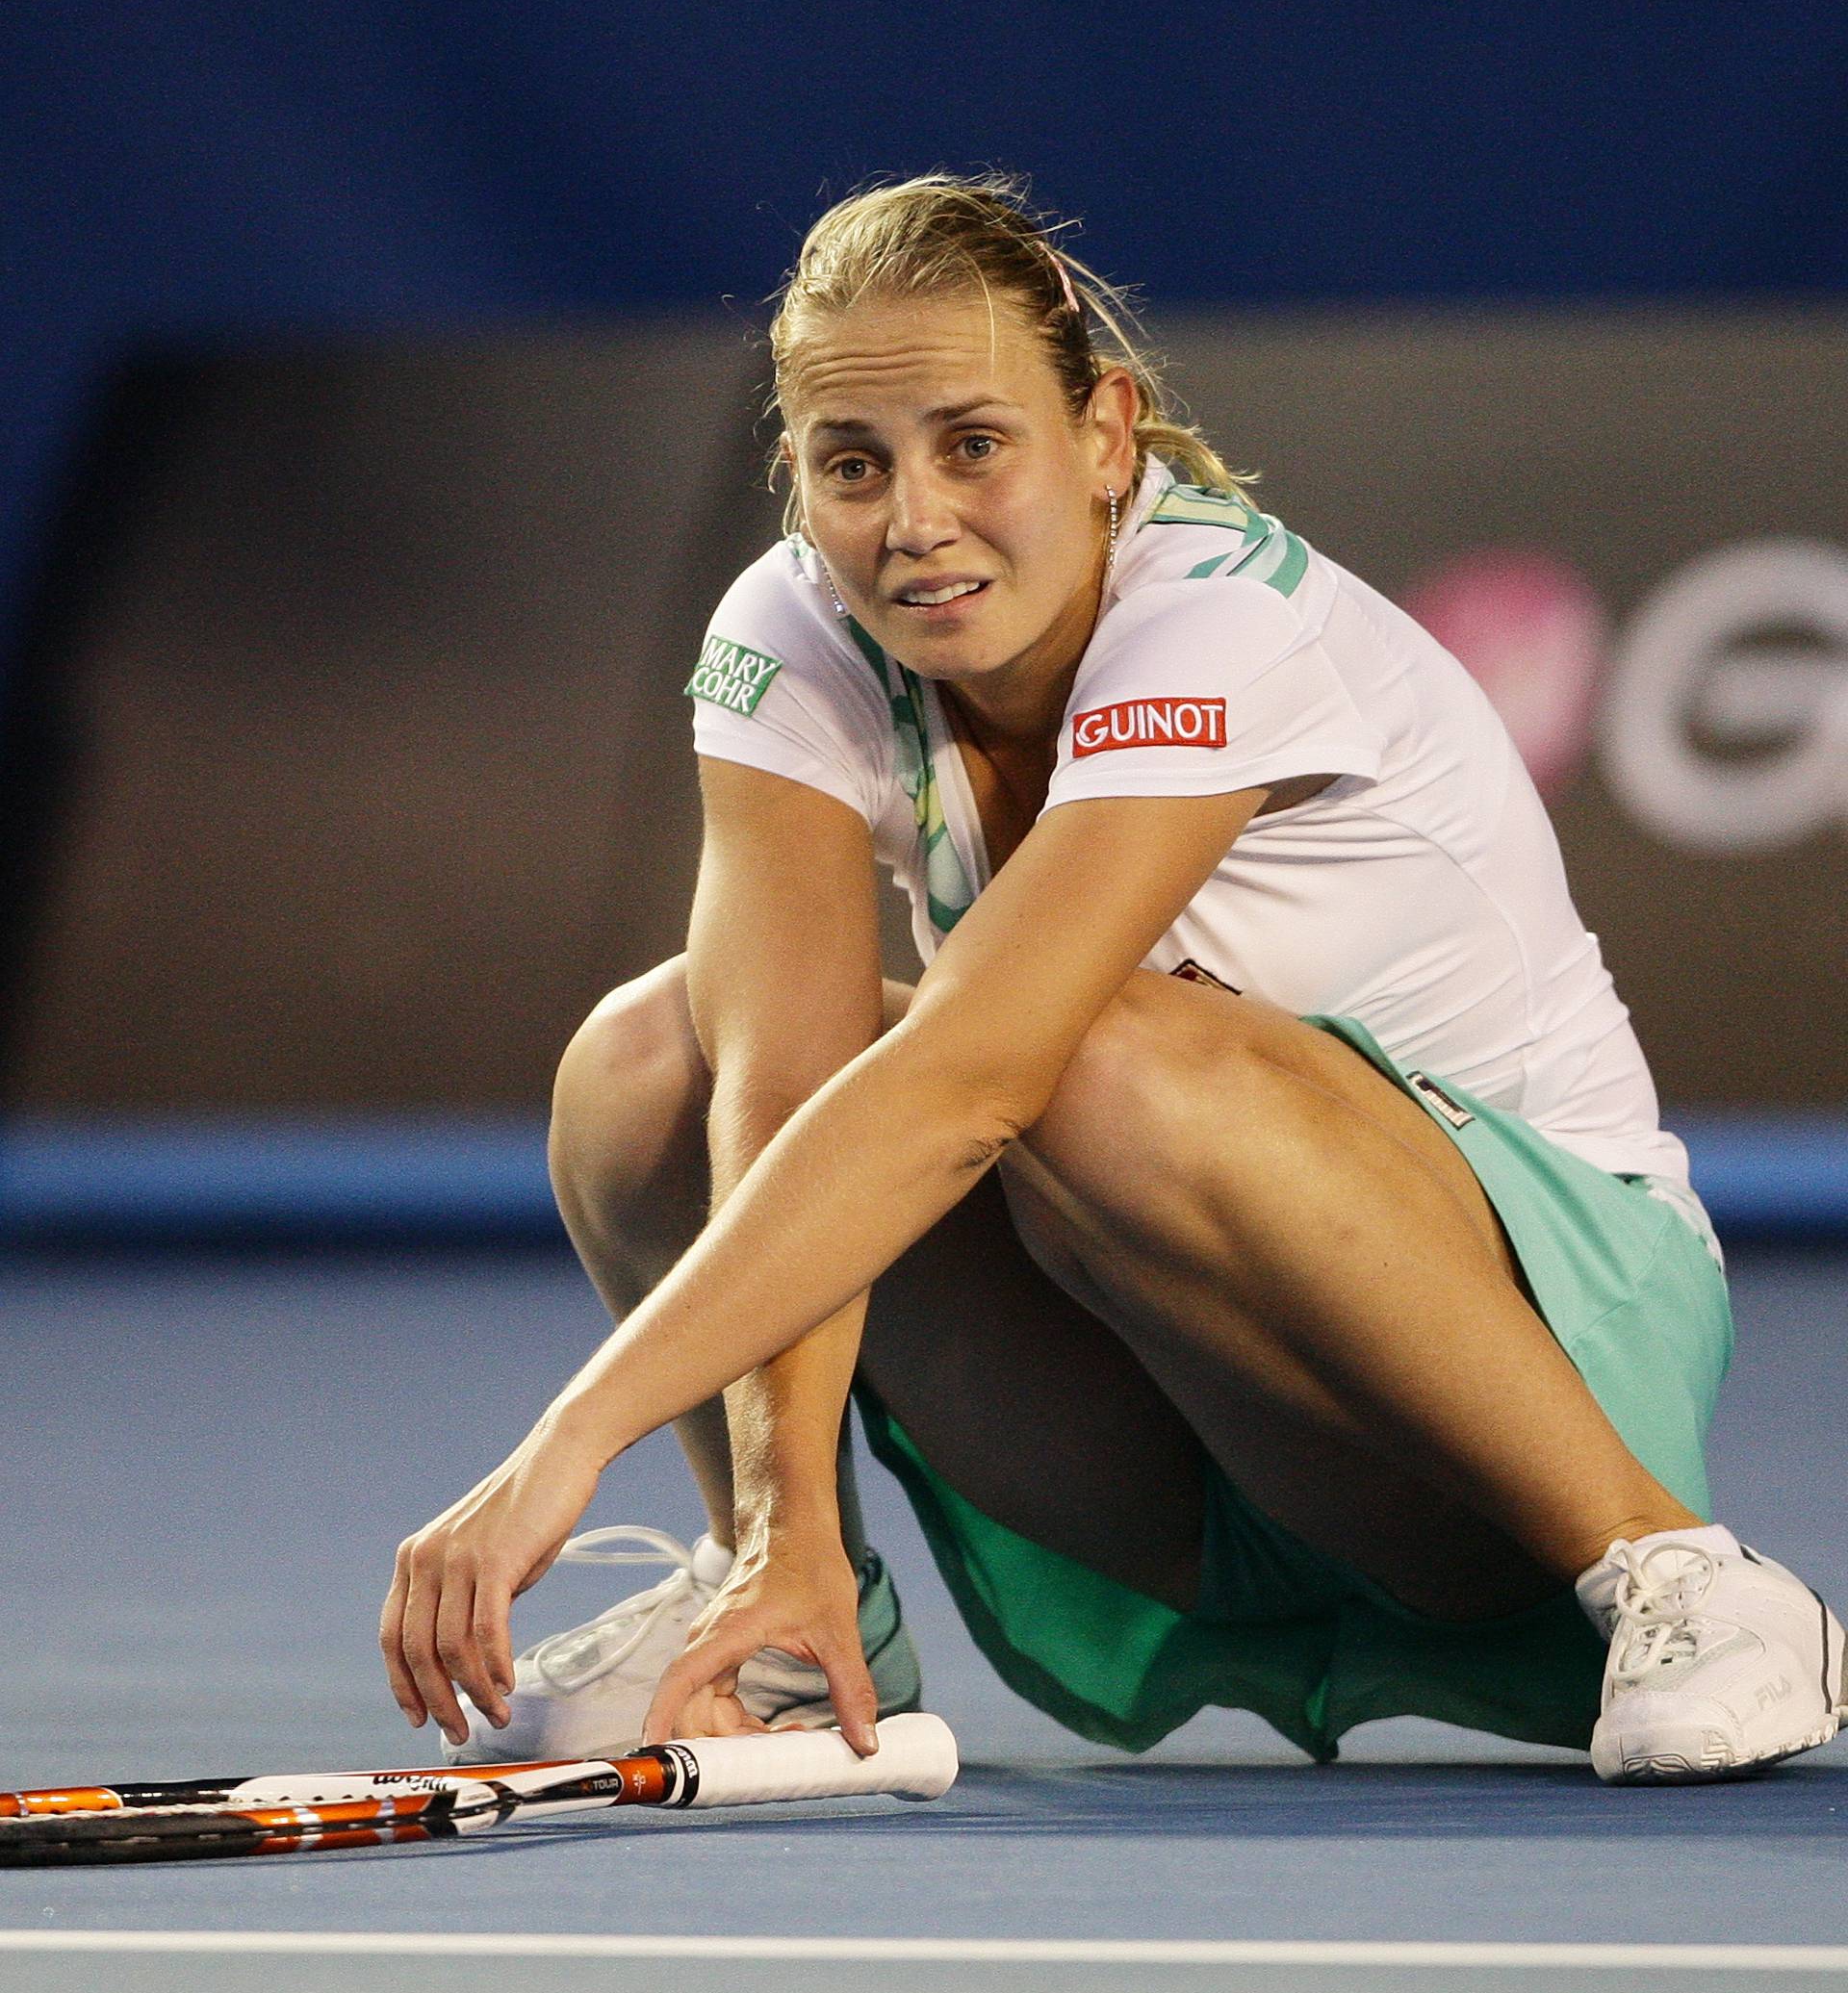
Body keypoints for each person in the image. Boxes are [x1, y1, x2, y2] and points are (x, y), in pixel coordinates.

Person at [380, 173, 1844, 1786]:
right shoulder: (789, 634)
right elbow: (778, 1086)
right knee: (650, 1064)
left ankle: (1681, 1572)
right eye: (851, 465)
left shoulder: (1219, 618)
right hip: (1199, 1411)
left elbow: (972, 1079)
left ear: (1105, 434)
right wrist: (787, 1506)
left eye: (975, 443)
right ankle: (795, 1619)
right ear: (798, 479)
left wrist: (564, 1439)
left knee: (1076, 1051)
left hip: (1550, 1366)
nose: (915, 519)